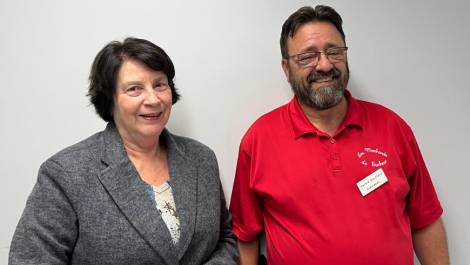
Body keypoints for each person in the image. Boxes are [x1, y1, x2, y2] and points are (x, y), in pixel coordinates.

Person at [229, 5, 449, 265]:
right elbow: (245, 235)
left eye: (334, 52)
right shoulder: (258, 140)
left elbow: (426, 220)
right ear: (286, 68)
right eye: (307, 57)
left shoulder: (392, 128)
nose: (324, 65)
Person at [9, 37, 238, 265]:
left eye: (159, 84)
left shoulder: (201, 159)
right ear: (110, 100)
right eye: (134, 89)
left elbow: (225, 238)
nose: (153, 99)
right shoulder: (65, 174)